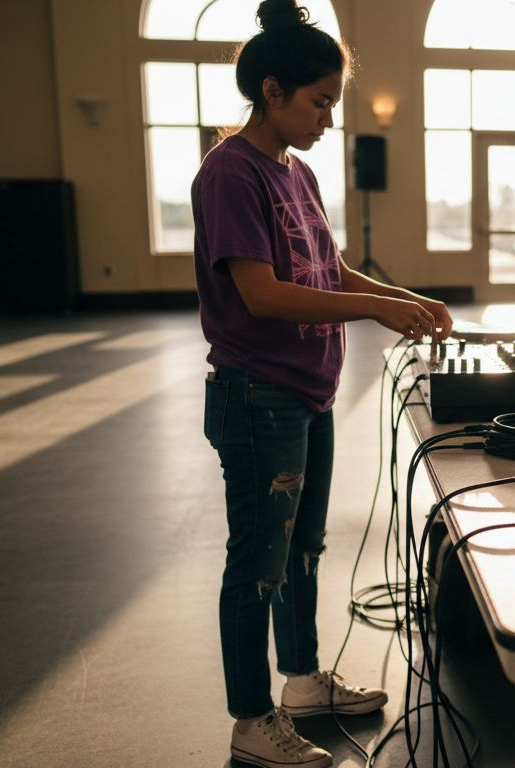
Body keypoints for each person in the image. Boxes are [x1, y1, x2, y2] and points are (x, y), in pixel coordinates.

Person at [193, 2, 452, 766]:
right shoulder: (229, 172)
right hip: (257, 395)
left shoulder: (295, 172)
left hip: (307, 390)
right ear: (272, 91)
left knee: (304, 546)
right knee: (257, 562)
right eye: (319, 103)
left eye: (332, 103)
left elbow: (325, 270)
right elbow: (265, 294)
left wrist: (397, 298)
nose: (328, 120)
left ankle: (301, 681)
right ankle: (250, 720)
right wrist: (375, 307)